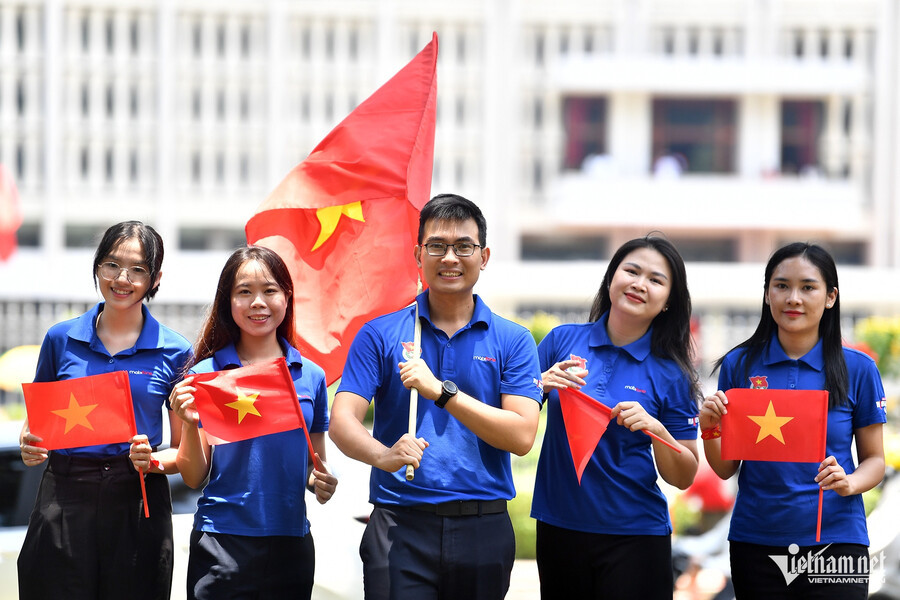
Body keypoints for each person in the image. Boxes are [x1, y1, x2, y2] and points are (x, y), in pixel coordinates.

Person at [330, 193, 544, 600]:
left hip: (483, 525)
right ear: (418, 254)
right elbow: (342, 421)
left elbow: (521, 436)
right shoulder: (380, 334)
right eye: (437, 246)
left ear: (483, 256)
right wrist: (383, 456)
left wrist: (442, 393)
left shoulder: (513, 340)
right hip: (399, 524)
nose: (450, 258)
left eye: (463, 246)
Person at [700, 242, 886, 599]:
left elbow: (875, 460)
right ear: (767, 294)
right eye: (781, 286)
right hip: (756, 541)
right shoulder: (740, 364)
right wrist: (710, 428)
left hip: (836, 540)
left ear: (830, 297)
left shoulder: (859, 368)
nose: (793, 298)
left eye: (808, 287)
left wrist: (849, 482)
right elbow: (726, 469)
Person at [18, 221, 192, 600]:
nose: (121, 279)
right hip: (64, 493)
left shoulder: (176, 351)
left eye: (137, 269)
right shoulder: (60, 338)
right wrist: (29, 444)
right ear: (97, 266)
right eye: (112, 264)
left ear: (155, 278)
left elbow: (183, 452)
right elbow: (36, 424)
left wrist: (153, 461)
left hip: (138, 496)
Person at [532, 235, 701, 599]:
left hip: (636, 537)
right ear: (611, 278)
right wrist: (539, 384)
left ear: (669, 301)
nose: (640, 284)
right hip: (558, 527)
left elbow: (684, 475)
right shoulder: (560, 342)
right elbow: (514, 424)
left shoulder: (672, 374)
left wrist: (657, 430)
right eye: (632, 271)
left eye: (656, 280)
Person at [167, 245, 337, 600]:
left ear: (287, 297)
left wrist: (321, 481)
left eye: (269, 290)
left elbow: (313, 465)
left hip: (291, 544)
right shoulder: (205, 376)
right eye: (244, 292)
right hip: (221, 543)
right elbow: (194, 477)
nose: (258, 302)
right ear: (227, 302)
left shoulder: (311, 376)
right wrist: (188, 423)